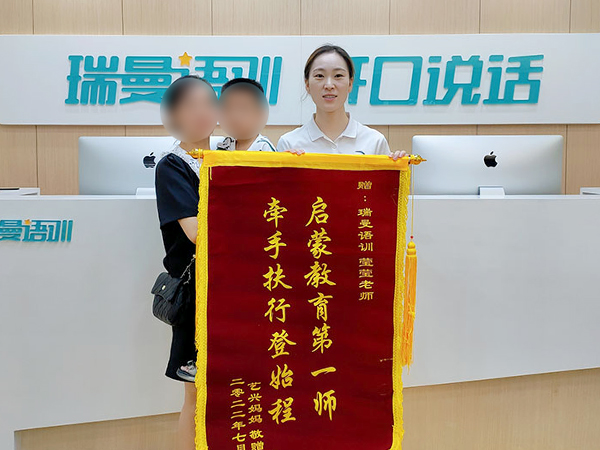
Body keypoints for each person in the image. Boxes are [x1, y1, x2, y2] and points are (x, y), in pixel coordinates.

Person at [155, 74, 218, 450]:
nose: (201, 113)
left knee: (231, 393)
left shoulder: (229, 158)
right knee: (196, 396)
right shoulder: (172, 166)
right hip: (199, 297)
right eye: (190, 105)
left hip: (234, 292)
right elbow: (196, 233)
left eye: (208, 103)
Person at [277, 44, 405, 160]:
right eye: (319, 76)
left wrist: (397, 166)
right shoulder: (289, 143)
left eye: (338, 76)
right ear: (307, 85)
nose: (329, 85)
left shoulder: (374, 142)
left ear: (350, 83)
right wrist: (286, 168)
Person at [215, 77, 277, 151]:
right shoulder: (225, 145)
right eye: (229, 108)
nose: (235, 116)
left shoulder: (264, 148)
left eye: (243, 109)